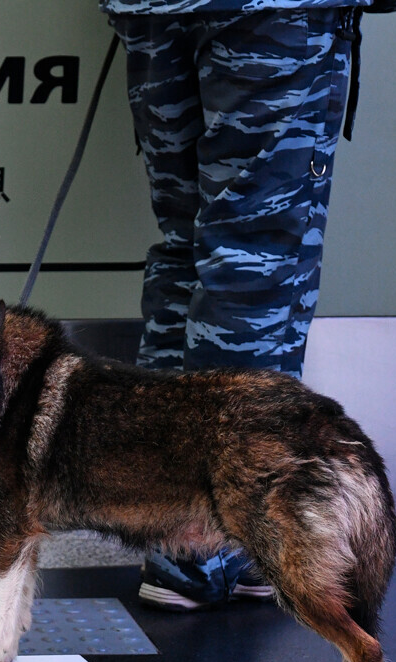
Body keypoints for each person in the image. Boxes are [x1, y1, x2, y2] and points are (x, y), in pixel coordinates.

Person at [98, 0, 364, 609]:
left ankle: (171, 533)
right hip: (273, 13)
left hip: (154, 9)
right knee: (256, 265)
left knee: (189, 248)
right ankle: (223, 540)